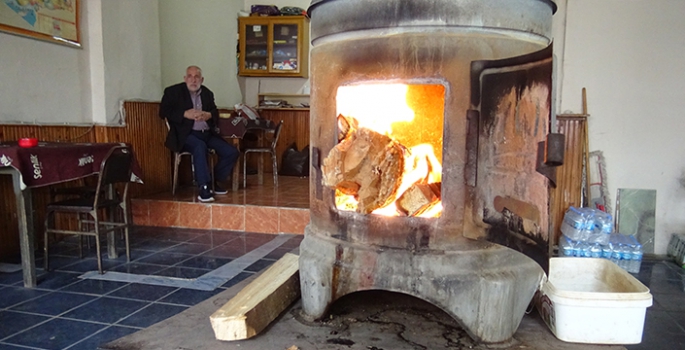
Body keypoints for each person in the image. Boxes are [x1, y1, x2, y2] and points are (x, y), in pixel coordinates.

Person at [160, 65, 239, 202]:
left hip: (207, 133)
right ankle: (203, 187)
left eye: (197, 77)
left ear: (202, 79)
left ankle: (214, 180)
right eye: (190, 76)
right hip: (185, 135)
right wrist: (185, 114)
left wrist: (208, 115)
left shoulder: (207, 93)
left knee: (231, 152)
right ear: (185, 79)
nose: (193, 80)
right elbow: (163, 112)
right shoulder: (173, 92)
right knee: (199, 146)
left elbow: (214, 112)